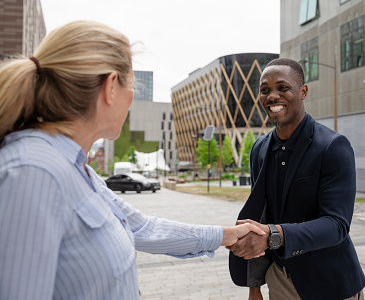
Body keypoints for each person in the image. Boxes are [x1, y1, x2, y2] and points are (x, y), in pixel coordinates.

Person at [0, 20, 265, 300]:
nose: (132, 97)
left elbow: (142, 227)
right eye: (133, 84)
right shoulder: (33, 173)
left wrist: (225, 234)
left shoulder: (80, 171)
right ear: (111, 86)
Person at [227, 58, 365, 300]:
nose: (272, 96)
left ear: (303, 91)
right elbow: (261, 217)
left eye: (283, 88)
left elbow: (337, 225)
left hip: (329, 281)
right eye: (265, 90)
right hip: (280, 277)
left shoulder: (333, 146)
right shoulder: (259, 149)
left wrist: (274, 235)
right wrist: (254, 287)